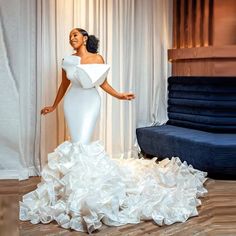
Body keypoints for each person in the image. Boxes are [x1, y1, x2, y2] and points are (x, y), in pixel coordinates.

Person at [20, 28, 207, 234]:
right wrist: (54, 105)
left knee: (82, 143)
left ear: (84, 38)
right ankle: (73, 190)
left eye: (75, 35)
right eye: (69, 36)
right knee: (76, 144)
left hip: (90, 102)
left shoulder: (97, 58)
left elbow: (103, 83)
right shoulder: (67, 60)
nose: (71, 38)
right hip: (72, 103)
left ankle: (86, 190)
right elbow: (64, 85)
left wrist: (119, 95)